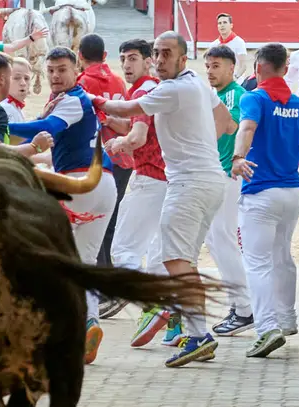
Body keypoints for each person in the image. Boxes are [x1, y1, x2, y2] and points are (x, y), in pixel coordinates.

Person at [93, 32, 238, 367]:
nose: (159, 60)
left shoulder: (173, 88)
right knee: (182, 260)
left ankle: (197, 333)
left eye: (166, 54)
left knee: (176, 261)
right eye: (156, 53)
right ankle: (193, 331)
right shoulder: (198, 85)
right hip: (209, 178)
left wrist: (93, 100)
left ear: (183, 59)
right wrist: (198, 142)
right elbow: (227, 124)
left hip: (187, 183)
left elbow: (127, 108)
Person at [8, 47, 116, 364]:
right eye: (52, 70)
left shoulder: (72, 100)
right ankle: (88, 325)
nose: (56, 76)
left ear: (76, 70)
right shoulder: (75, 100)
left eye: (62, 70)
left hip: (77, 184)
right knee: (84, 261)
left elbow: (42, 131)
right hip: (105, 186)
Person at [232, 43, 299, 357]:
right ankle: (286, 319)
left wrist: (237, 157)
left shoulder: (255, 98)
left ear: (258, 67)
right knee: (282, 257)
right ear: (286, 68)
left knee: (256, 263)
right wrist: (291, 156)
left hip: (261, 192)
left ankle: (267, 327)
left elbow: (246, 127)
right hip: (292, 193)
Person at [104, 39, 177, 343]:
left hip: (148, 177)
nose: (127, 64)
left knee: (123, 251)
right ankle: (175, 326)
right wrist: (112, 121)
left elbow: (138, 134)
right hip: (170, 178)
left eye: (133, 58)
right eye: (123, 58)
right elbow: (137, 126)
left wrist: (119, 143)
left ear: (148, 61)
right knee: (160, 255)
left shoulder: (143, 92)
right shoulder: (159, 90)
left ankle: (153, 305)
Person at [75, 34, 134, 315]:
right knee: (110, 219)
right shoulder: (118, 82)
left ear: (80, 55)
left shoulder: (82, 84)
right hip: (123, 158)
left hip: (98, 159)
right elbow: (127, 124)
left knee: (94, 220)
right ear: (106, 54)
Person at [203, 46, 256, 337]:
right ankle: (241, 305)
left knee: (222, 239)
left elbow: (232, 126)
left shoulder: (235, 94)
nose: (210, 71)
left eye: (216, 66)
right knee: (217, 240)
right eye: (208, 65)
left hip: (227, 174)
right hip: (219, 174)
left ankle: (245, 308)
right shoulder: (218, 95)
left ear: (232, 67)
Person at [210, 13, 248, 83]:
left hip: (235, 82)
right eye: (219, 23)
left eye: (225, 22)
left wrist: (235, 78)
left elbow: (243, 65)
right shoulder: (214, 44)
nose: (222, 25)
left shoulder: (239, 42)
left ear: (231, 25)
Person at [2, 56, 33, 124]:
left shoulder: (15, 106)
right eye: (17, 78)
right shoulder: (5, 108)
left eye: (26, 78)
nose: (23, 83)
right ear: (3, 80)